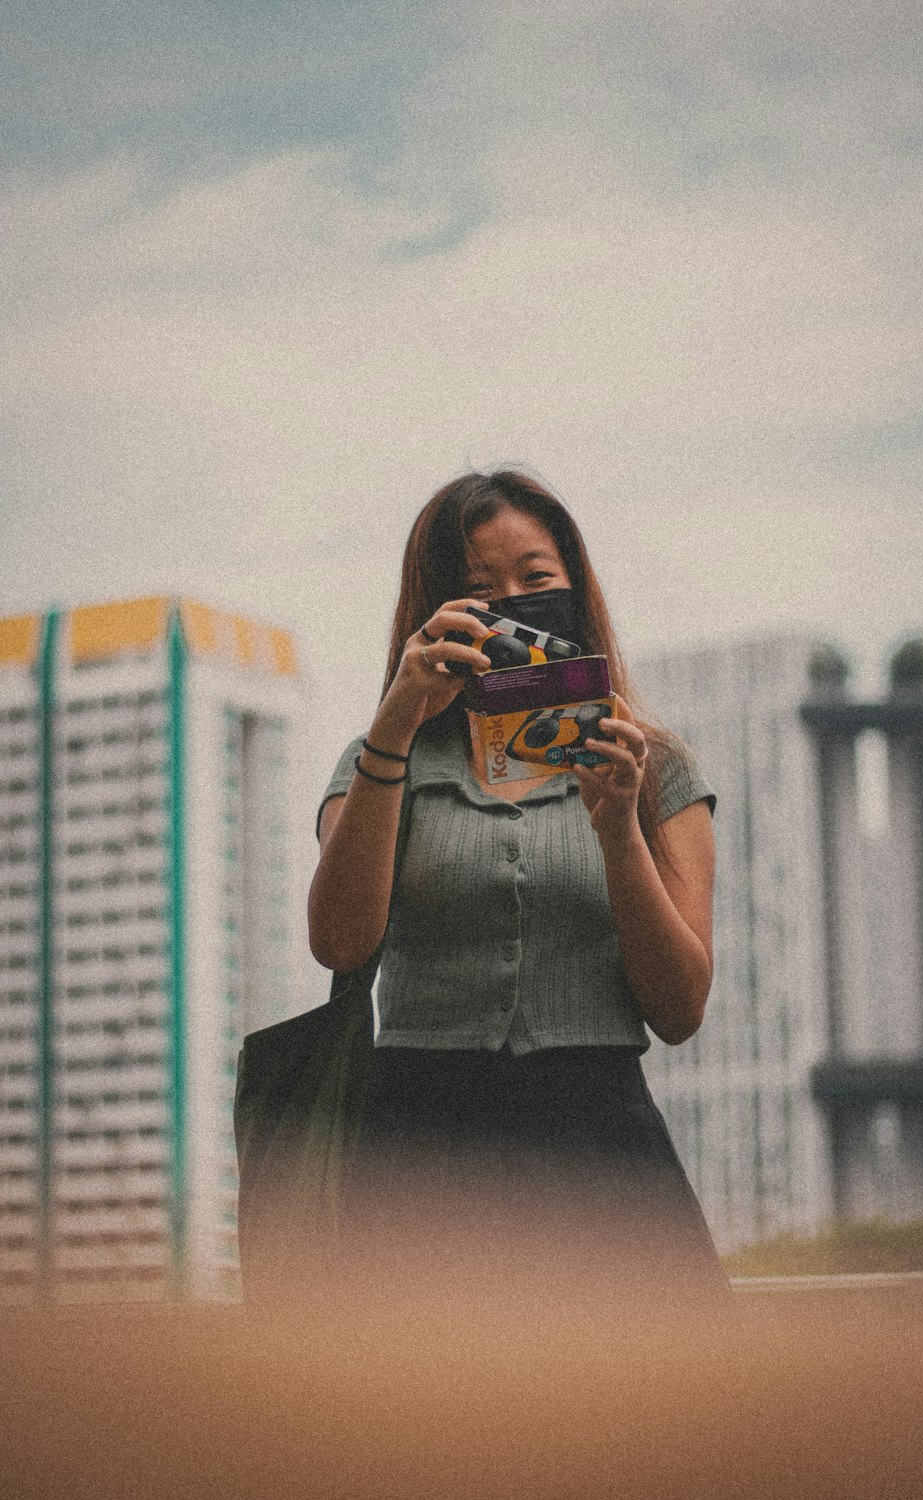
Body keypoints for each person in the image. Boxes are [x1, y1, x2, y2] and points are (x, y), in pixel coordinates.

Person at [308, 469, 730, 1309]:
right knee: (417, 1423)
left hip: (599, 1141)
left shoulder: (654, 766)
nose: (512, 605)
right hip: (417, 1148)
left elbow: (680, 1007)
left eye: (537, 580)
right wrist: (396, 720)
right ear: (434, 612)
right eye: (477, 591)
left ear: (576, 587)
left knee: (654, 1420)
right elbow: (339, 941)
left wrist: (617, 832)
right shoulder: (380, 757)